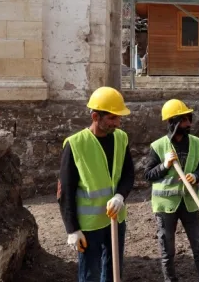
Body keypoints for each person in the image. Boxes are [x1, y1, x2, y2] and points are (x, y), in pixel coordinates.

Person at [57, 86, 134, 282]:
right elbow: (65, 191)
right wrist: (72, 229)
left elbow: (128, 174)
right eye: (112, 118)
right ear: (94, 116)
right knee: (89, 273)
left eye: (119, 118)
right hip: (89, 225)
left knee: (113, 270)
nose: (117, 123)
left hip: (115, 218)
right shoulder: (75, 144)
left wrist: (120, 196)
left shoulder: (121, 138)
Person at [143, 99, 199, 282]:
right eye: (184, 120)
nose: (189, 124)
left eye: (189, 119)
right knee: (167, 250)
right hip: (166, 207)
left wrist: (196, 176)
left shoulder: (196, 143)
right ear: (173, 122)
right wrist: (164, 165)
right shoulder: (158, 146)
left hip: (190, 203)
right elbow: (148, 175)